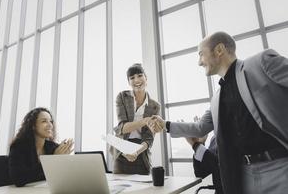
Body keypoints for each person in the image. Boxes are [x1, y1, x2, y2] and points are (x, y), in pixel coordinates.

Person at [151, 32, 288, 194]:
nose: (199, 62)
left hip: (280, 168)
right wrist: (165, 125)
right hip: (242, 175)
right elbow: (200, 127)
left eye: (201, 54)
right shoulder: (216, 98)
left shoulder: (260, 63)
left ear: (219, 49)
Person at [112, 63, 160, 175]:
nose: (136, 80)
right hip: (122, 152)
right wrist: (145, 121)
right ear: (129, 82)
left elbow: (149, 138)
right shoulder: (122, 97)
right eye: (132, 78)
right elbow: (122, 128)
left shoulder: (155, 106)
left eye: (139, 75)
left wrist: (136, 152)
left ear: (146, 78)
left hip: (141, 153)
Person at [8, 107, 73, 187]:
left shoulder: (53, 147)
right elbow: (18, 179)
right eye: (44, 121)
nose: (50, 125)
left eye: (51, 121)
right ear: (33, 126)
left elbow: (63, 176)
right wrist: (51, 160)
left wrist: (65, 161)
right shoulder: (19, 147)